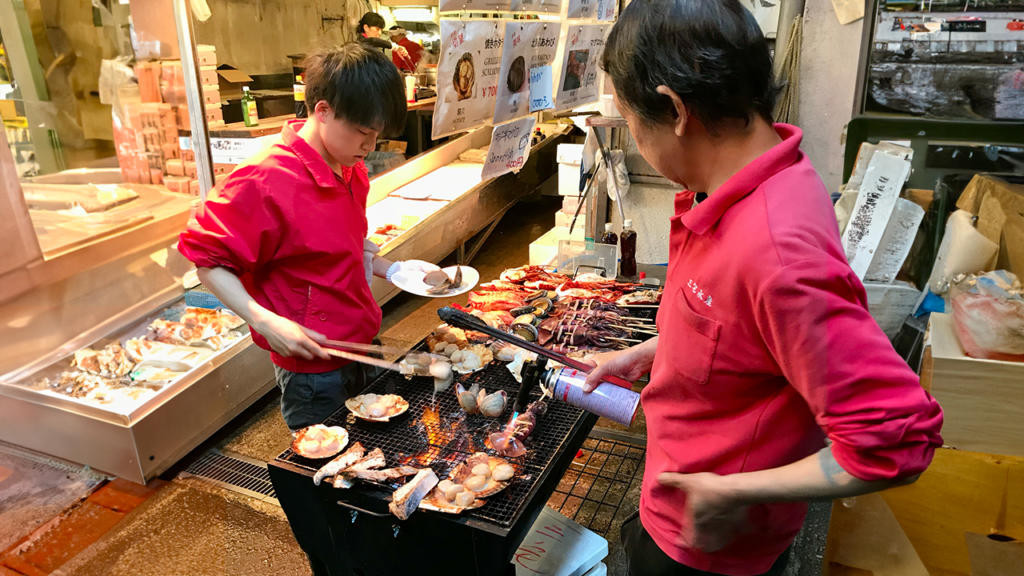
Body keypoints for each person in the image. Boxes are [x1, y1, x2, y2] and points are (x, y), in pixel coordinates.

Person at [585, 1, 944, 575]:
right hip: (671, 502)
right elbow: (746, 330)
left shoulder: (777, 250)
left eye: (629, 121)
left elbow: (897, 440)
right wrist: (653, 351)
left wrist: (737, 492)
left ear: (675, 110)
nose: (634, 137)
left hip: (711, 552)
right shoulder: (746, 183)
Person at [178, 43, 432, 431]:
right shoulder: (263, 179)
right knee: (321, 470)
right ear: (323, 111)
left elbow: (337, 249)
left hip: (361, 341)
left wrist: (395, 269)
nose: (371, 146)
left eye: (377, 134)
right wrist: (263, 321)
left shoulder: (351, 168)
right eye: (363, 132)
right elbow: (207, 262)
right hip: (311, 368)